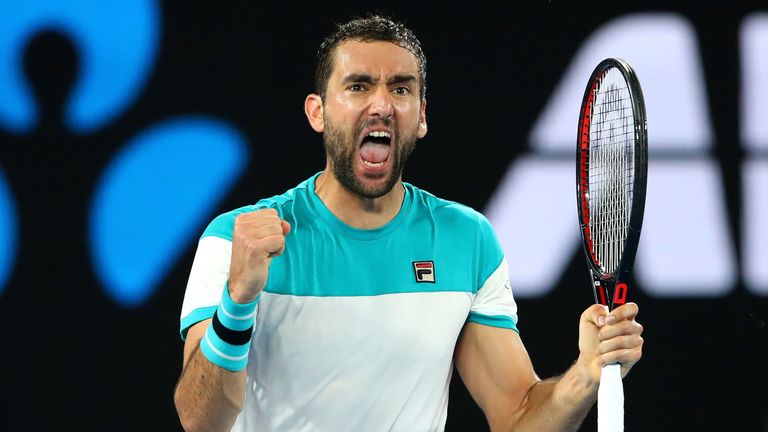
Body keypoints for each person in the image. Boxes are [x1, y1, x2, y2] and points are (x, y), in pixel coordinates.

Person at [173, 14, 643, 432]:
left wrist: (586, 373)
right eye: (358, 86)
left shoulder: (466, 240)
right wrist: (237, 301)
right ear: (318, 112)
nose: (381, 105)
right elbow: (199, 420)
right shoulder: (235, 240)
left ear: (420, 116)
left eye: (400, 89)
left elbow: (519, 417)